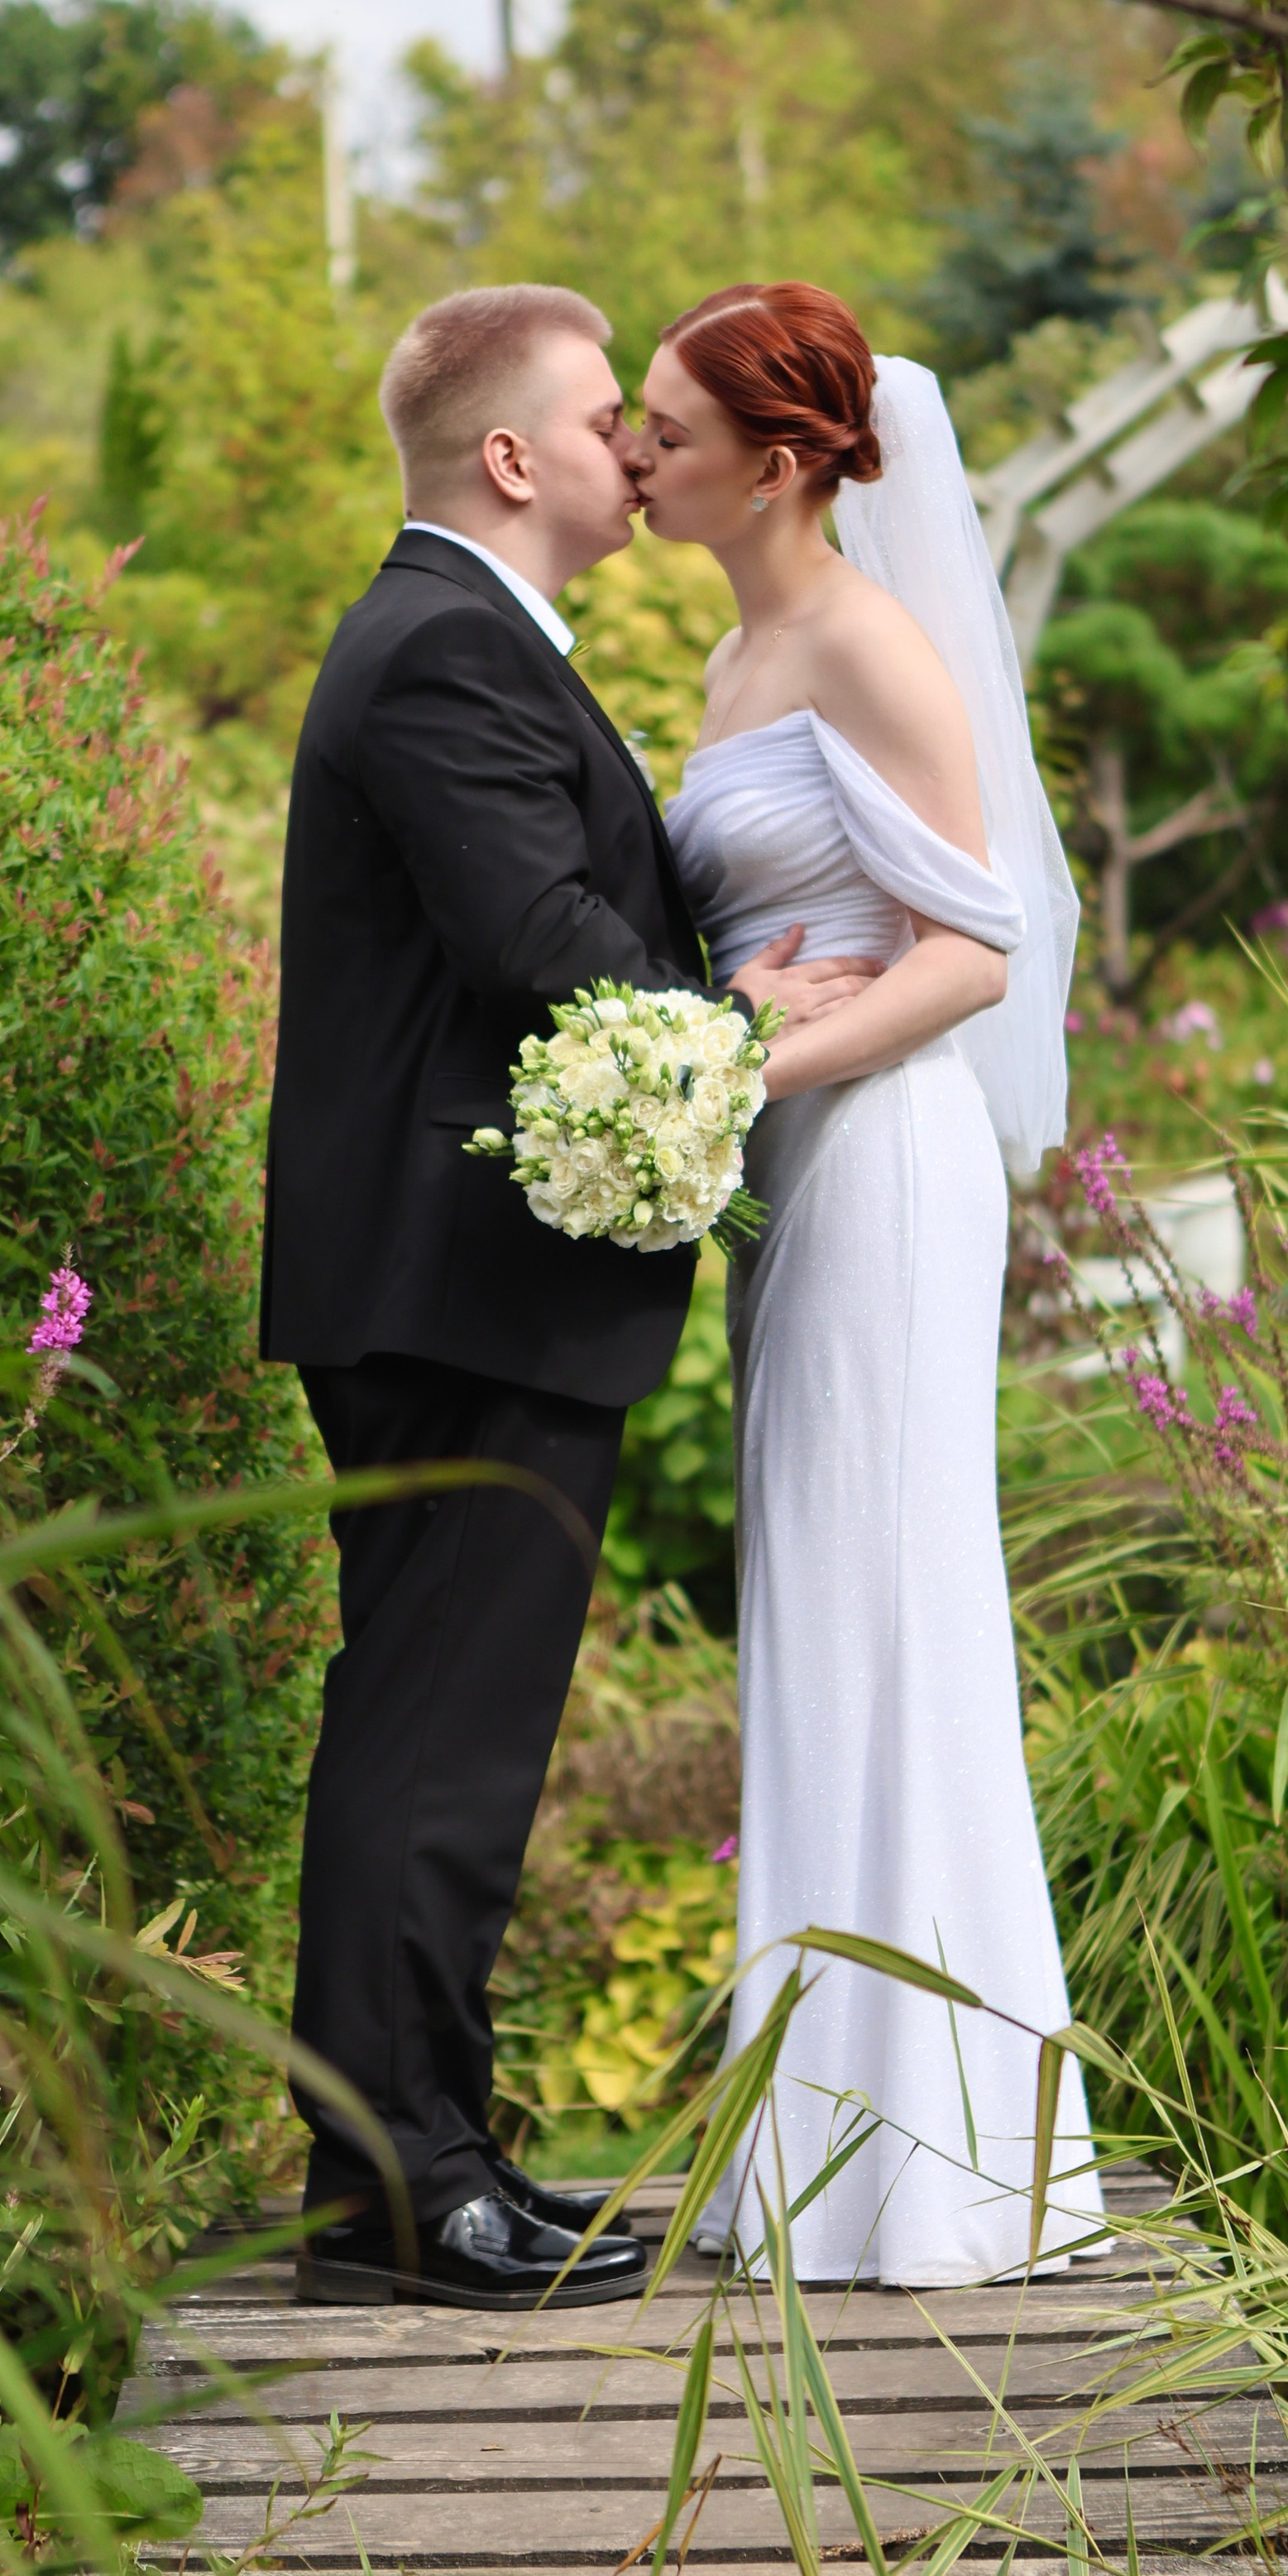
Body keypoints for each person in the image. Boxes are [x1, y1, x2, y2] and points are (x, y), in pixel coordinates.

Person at [261, 283, 877, 2310]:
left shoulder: (476, 639)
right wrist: (736, 1008)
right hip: (452, 1282)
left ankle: (432, 2152)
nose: (633, 445)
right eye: (607, 415)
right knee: (431, 1744)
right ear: (509, 458)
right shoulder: (442, 646)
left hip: (464, 1279)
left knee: (442, 1736)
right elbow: (535, 936)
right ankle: (396, 2187)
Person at [636, 282, 1112, 2286]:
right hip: (800, 1163)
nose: (633, 451)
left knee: (890, 1608)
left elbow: (969, 953)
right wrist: (723, 1030)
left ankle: (939, 2166)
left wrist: (722, 1070)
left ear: (776, 454)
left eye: (660, 425)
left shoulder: (863, 642)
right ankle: (830, 2143)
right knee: (817, 1612)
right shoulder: (743, 648)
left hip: (888, 1167)